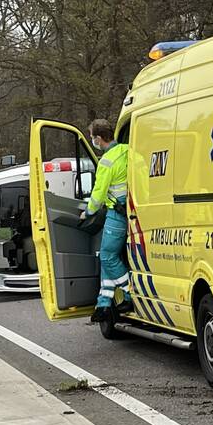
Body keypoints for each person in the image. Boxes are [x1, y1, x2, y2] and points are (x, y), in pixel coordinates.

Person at [82, 119, 133, 323]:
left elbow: (98, 195)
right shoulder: (127, 149)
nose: (92, 140)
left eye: (92, 137)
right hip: (131, 209)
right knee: (107, 255)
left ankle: (130, 293)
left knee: (108, 256)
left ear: (99, 138)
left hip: (116, 213)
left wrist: (87, 212)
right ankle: (103, 304)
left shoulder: (106, 162)